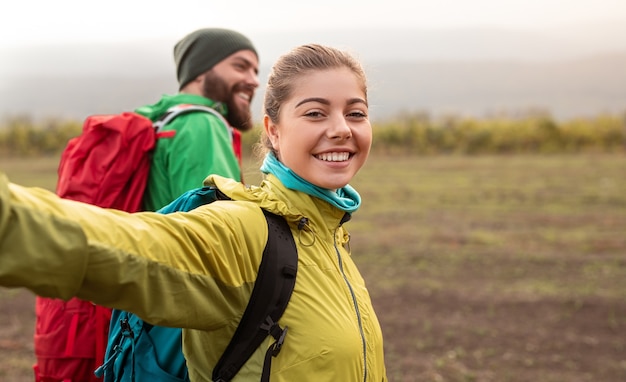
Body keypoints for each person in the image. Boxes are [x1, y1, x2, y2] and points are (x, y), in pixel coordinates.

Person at [0, 43, 388, 381]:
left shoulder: (329, 234)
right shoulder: (244, 231)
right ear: (273, 130)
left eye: (355, 113)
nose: (341, 129)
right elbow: (123, 247)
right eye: (315, 113)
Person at [33, 27, 260, 382]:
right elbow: (215, 236)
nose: (253, 80)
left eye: (256, 71)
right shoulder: (202, 125)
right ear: (202, 71)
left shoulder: (159, 119)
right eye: (241, 66)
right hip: (176, 323)